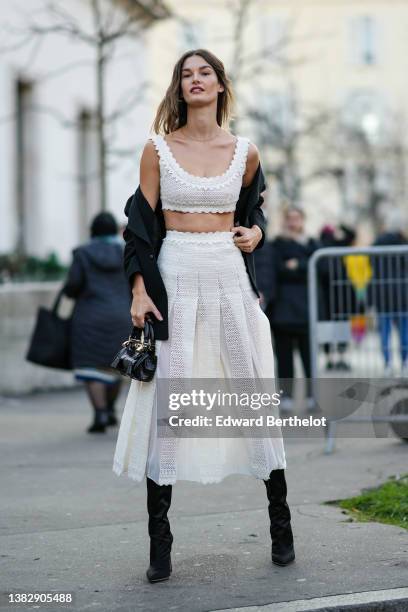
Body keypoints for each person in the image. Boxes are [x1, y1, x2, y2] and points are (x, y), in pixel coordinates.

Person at [112, 48, 295, 583]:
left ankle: (281, 527)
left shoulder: (246, 152)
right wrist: (140, 291)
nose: (196, 80)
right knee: (171, 398)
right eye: (187, 74)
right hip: (176, 277)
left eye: (205, 73)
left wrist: (256, 232)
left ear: (219, 85)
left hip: (228, 273)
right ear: (178, 88)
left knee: (250, 388)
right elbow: (140, 228)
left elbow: (253, 209)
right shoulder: (157, 150)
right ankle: (160, 545)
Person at [63, 212, 131, 433]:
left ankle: (100, 413)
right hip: (122, 317)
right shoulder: (126, 251)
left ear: (92, 230)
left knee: (91, 366)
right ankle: (110, 409)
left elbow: (73, 285)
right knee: (116, 364)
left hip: (89, 318)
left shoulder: (82, 253)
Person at [267, 207, 320, 410]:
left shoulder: (312, 243)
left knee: (309, 359)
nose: (293, 222)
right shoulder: (276, 244)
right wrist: (303, 267)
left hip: (308, 311)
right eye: (289, 218)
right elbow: (277, 270)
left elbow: (321, 268)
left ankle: (312, 397)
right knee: (284, 359)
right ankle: (286, 397)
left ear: (303, 220)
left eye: (297, 218)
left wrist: (297, 265)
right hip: (283, 311)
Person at [370, 223, 408, 376]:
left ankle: (387, 364)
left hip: (382, 296)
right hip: (402, 296)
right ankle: (405, 362)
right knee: (404, 333)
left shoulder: (377, 245)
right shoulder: (403, 245)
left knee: (384, 334)